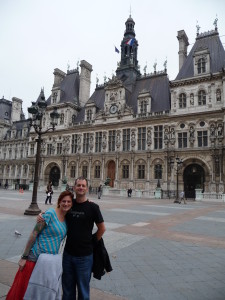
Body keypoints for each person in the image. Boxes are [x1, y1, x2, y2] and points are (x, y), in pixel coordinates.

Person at [6, 190, 73, 300]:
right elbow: (34, 234)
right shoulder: (50, 214)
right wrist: (24, 257)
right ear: (59, 202)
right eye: (64, 201)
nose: (66, 204)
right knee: (25, 289)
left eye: (69, 202)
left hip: (49, 263)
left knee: (40, 292)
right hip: (35, 258)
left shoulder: (66, 219)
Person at [63, 177, 105, 300]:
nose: (81, 187)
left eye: (83, 185)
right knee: (67, 288)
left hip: (85, 256)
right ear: (74, 187)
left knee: (83, 290)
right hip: (68, 254)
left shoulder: (93, 207)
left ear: (86, 188)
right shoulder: (69, 204)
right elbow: (58, 213)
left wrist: (92, 242)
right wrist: (42, 215)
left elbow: (102, 229)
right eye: (78, 185)